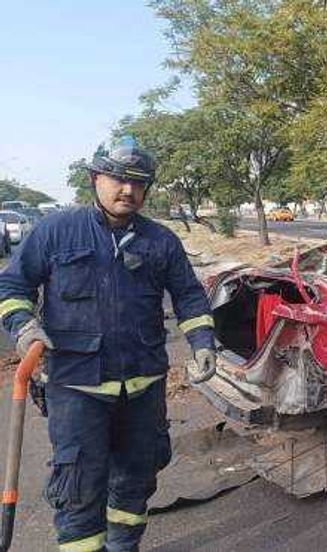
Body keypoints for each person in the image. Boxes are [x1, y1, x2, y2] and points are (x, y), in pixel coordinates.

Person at [0, 136, 217, 552]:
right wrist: (24, 325)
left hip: (143, 388)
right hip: (76, 389)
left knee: (137, 480)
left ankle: (124, 545)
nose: (127, 190)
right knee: (79, 485)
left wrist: (202, 340)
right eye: (117, 179)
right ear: (95, 178)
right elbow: (12, 284)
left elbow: (189, 295)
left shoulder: (160, 241)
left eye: (138, 183)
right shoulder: (56, 231)